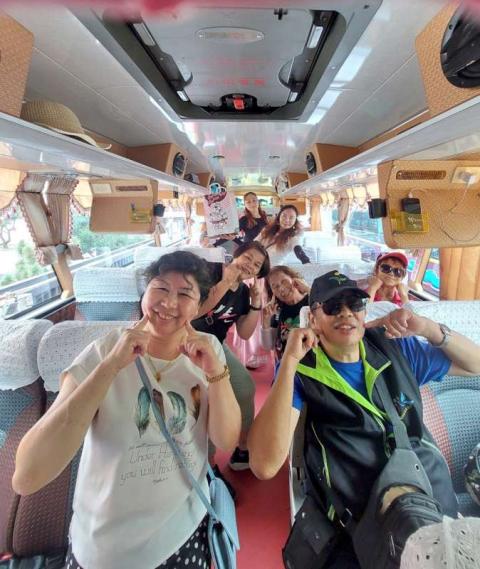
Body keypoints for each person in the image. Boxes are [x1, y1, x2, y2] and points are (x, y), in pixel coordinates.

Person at [13, 251, 241, 569]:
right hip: (104, 548)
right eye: (160, 288)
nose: (169, 302)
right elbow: (27, 477)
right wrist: (111, 366)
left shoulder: (207, 350)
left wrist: (216, 373)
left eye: (184, 294)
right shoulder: (104, 351)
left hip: (183, 532)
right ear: (144, 294)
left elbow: (226, 440)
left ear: (199, 305)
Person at [248, 270, 480, 568]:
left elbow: (474, 365)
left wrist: (428, 328)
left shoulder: (396, 348)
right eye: (333, 307)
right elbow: (265, 465)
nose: (346, 313)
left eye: (354, 304)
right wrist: (289, 362)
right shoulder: (303, 368)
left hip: (427, 495)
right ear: (313, 319)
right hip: (358, 513)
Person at [192, 241, 270, 471]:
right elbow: (195, 311)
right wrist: (226, 281)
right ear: (236, 255)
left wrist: (256, 304)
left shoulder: (244, 293)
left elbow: (245, 333)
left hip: (216, 345)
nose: (250, 266)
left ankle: (243, 447)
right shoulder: (209, 272)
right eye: (248, 258)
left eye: (256, 265)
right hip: (188, 343)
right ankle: (208, 465)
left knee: (245, 388)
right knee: (202, 401)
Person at [261, 265, 310, 362]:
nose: (281, 289)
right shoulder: (277, 310)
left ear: (294, 279)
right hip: (286, 365)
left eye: (284, 281)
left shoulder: (311, 300)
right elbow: (268, 346)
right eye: (275, 287)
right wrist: (266, 321)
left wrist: (308, 289)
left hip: (312, 365)